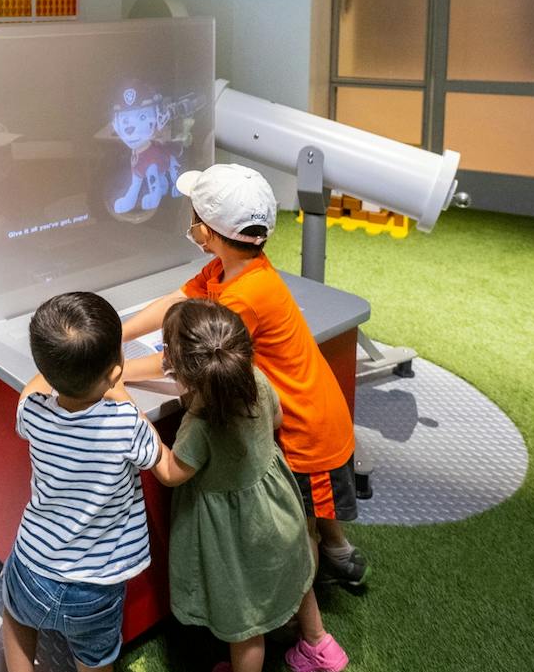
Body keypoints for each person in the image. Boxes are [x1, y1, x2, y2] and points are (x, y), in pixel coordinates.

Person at [122, 162, 367, 585]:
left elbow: (185, 365)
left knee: (300, 528)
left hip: (305, 432)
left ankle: (304, 601)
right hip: (304, 413)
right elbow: (178, 300)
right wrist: (118, 333)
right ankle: (339, 555)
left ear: (207, 232)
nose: (191, 223)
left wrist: (115, 370)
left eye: (194, 216)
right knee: (312, 508)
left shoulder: (243, 297)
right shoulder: (237, 268)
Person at [152, 298, 349, 672]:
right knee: (298, 579)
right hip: (280, 513)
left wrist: (141, 427)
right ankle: (318, 644)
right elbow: (276, 418)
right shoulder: (257, 379)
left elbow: (170, 472)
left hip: (236, 534)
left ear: (180, 369)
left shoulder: (201, 423)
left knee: (245, 623)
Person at [2, 291, 161, 672]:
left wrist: (55, 369)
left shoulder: (33, 414)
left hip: (33, 565)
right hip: (95, 588)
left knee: (15, 620)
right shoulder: (125, 425)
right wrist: (120, 392)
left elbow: (33, 387)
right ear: (115, 370)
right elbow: (157, 457)